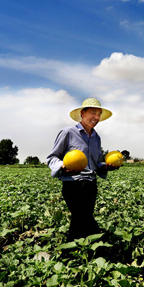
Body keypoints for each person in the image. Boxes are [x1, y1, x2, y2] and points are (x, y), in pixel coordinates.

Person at [47, 98, 119, 242]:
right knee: (83, 218)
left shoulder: (96, 138)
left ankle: (77, 252)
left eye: (99, 114)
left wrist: (105, 166)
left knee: (81, 219)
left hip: (91, 185)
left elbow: (95, 163)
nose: (96, 118)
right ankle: (94, 244)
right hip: (73, 184)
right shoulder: (68, 132)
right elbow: (52, 157)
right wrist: (62, 166)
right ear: (82, 113)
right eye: (93, 113)